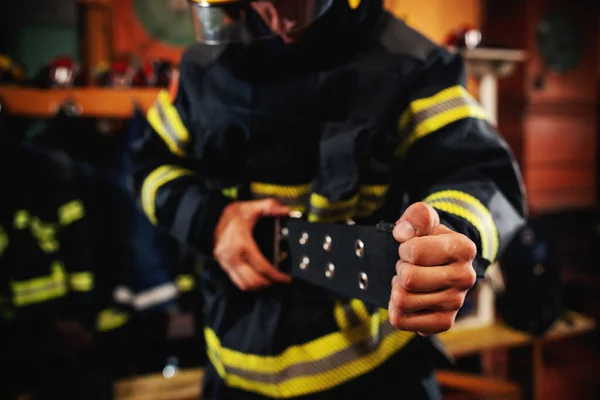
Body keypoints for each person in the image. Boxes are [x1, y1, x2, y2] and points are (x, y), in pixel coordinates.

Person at [128, 0, 527, 398]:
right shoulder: (204, 67)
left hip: (375, 376)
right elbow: (149, 163)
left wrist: (451, 235)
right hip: (230, 374)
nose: (280, 21)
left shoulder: (412, 64)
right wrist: (213, 222)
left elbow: (481, 174)